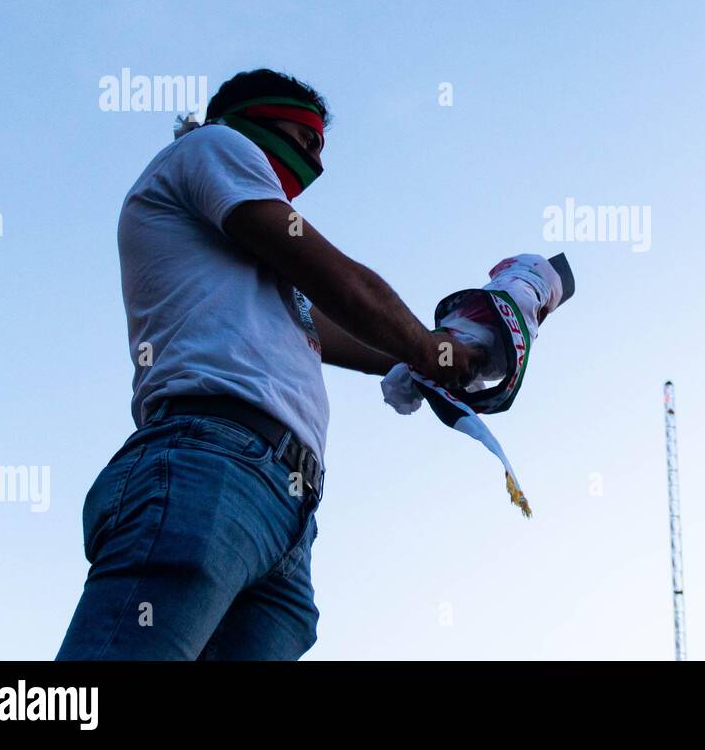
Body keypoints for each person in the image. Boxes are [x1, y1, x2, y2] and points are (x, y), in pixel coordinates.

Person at [55, 69, 480, 660]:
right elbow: (343, 285)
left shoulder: (252, 263)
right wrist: (432, 348)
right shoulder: (213, 148)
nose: (317, 161)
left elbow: (341, 329)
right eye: (307, 134)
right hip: (210, 462)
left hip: (285, 507)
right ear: (256, 112)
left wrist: (445, 359)